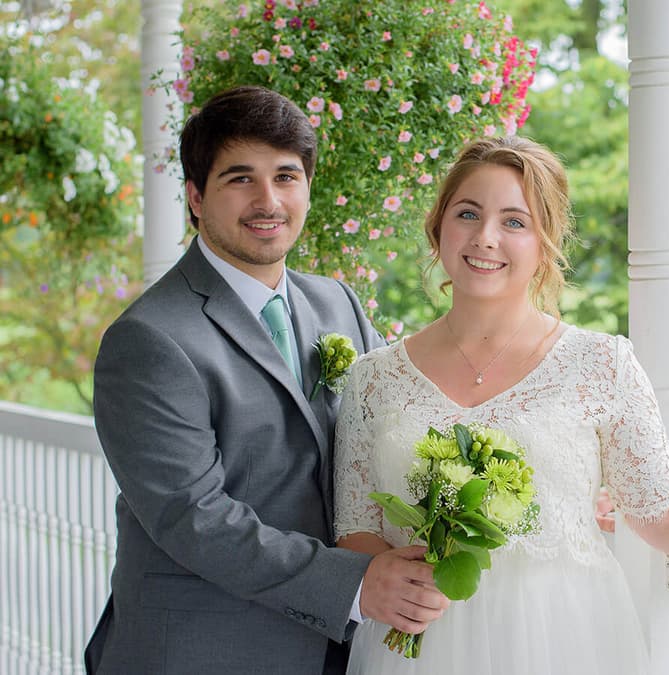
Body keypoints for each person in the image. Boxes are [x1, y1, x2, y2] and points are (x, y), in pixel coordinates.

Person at [332, 135, 669, 675]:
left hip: (563, 643)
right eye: (468, 214)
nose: (486, 237)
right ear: (438, 227)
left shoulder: (601, 365)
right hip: (420, 646)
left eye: (515, 221)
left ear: (545, 244)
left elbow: (668, 516)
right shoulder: (373, 378)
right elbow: (355, 531)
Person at [85, 85, 449, 675]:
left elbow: (400, 424)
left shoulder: (337, 304)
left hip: (338, 648)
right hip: (204, 651)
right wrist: (358, 584)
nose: (268, 200)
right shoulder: (148, 340)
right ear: (196, 197)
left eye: (286, 176)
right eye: (240, 179)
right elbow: (194, 516)